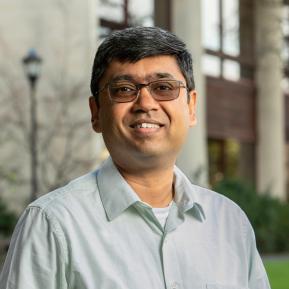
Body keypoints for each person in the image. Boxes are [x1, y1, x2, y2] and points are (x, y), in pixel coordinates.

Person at [0, 26, 271, 289]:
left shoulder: (230, 223)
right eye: (124, 89)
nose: (145, 103)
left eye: (164, 87)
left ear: (191, 106)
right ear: (95, 113)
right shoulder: (52, 223)